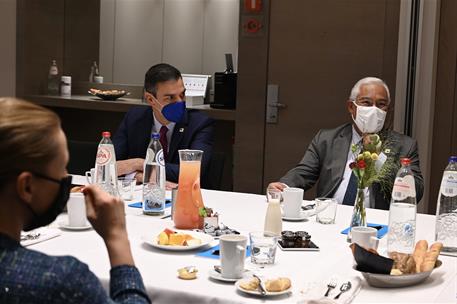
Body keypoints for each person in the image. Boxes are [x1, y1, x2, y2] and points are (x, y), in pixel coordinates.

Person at [0, 98, 150, 303]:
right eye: (62, 168)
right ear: (27, 187)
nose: (66, 176)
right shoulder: (60, 281)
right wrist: (117, 237)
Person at [268, 77, 424, 210]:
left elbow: (415, 193)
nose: (374, 109)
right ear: (351, 107)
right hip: (330, 216)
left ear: (387, 110)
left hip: (376, 223)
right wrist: (283, 186)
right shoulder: (327, 139)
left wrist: (379, 159)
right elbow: (304, 172)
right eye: (366, 103)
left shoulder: (405, 145)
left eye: (381, 104)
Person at [114, 63, 214, 187]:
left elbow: (193, 172)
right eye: (170, 98)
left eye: (182, 94)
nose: (179, 102)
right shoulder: (134, 118)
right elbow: (113, 166)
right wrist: (140, 176)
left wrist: (139, 164)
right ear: (150, 99)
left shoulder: (200, 124)